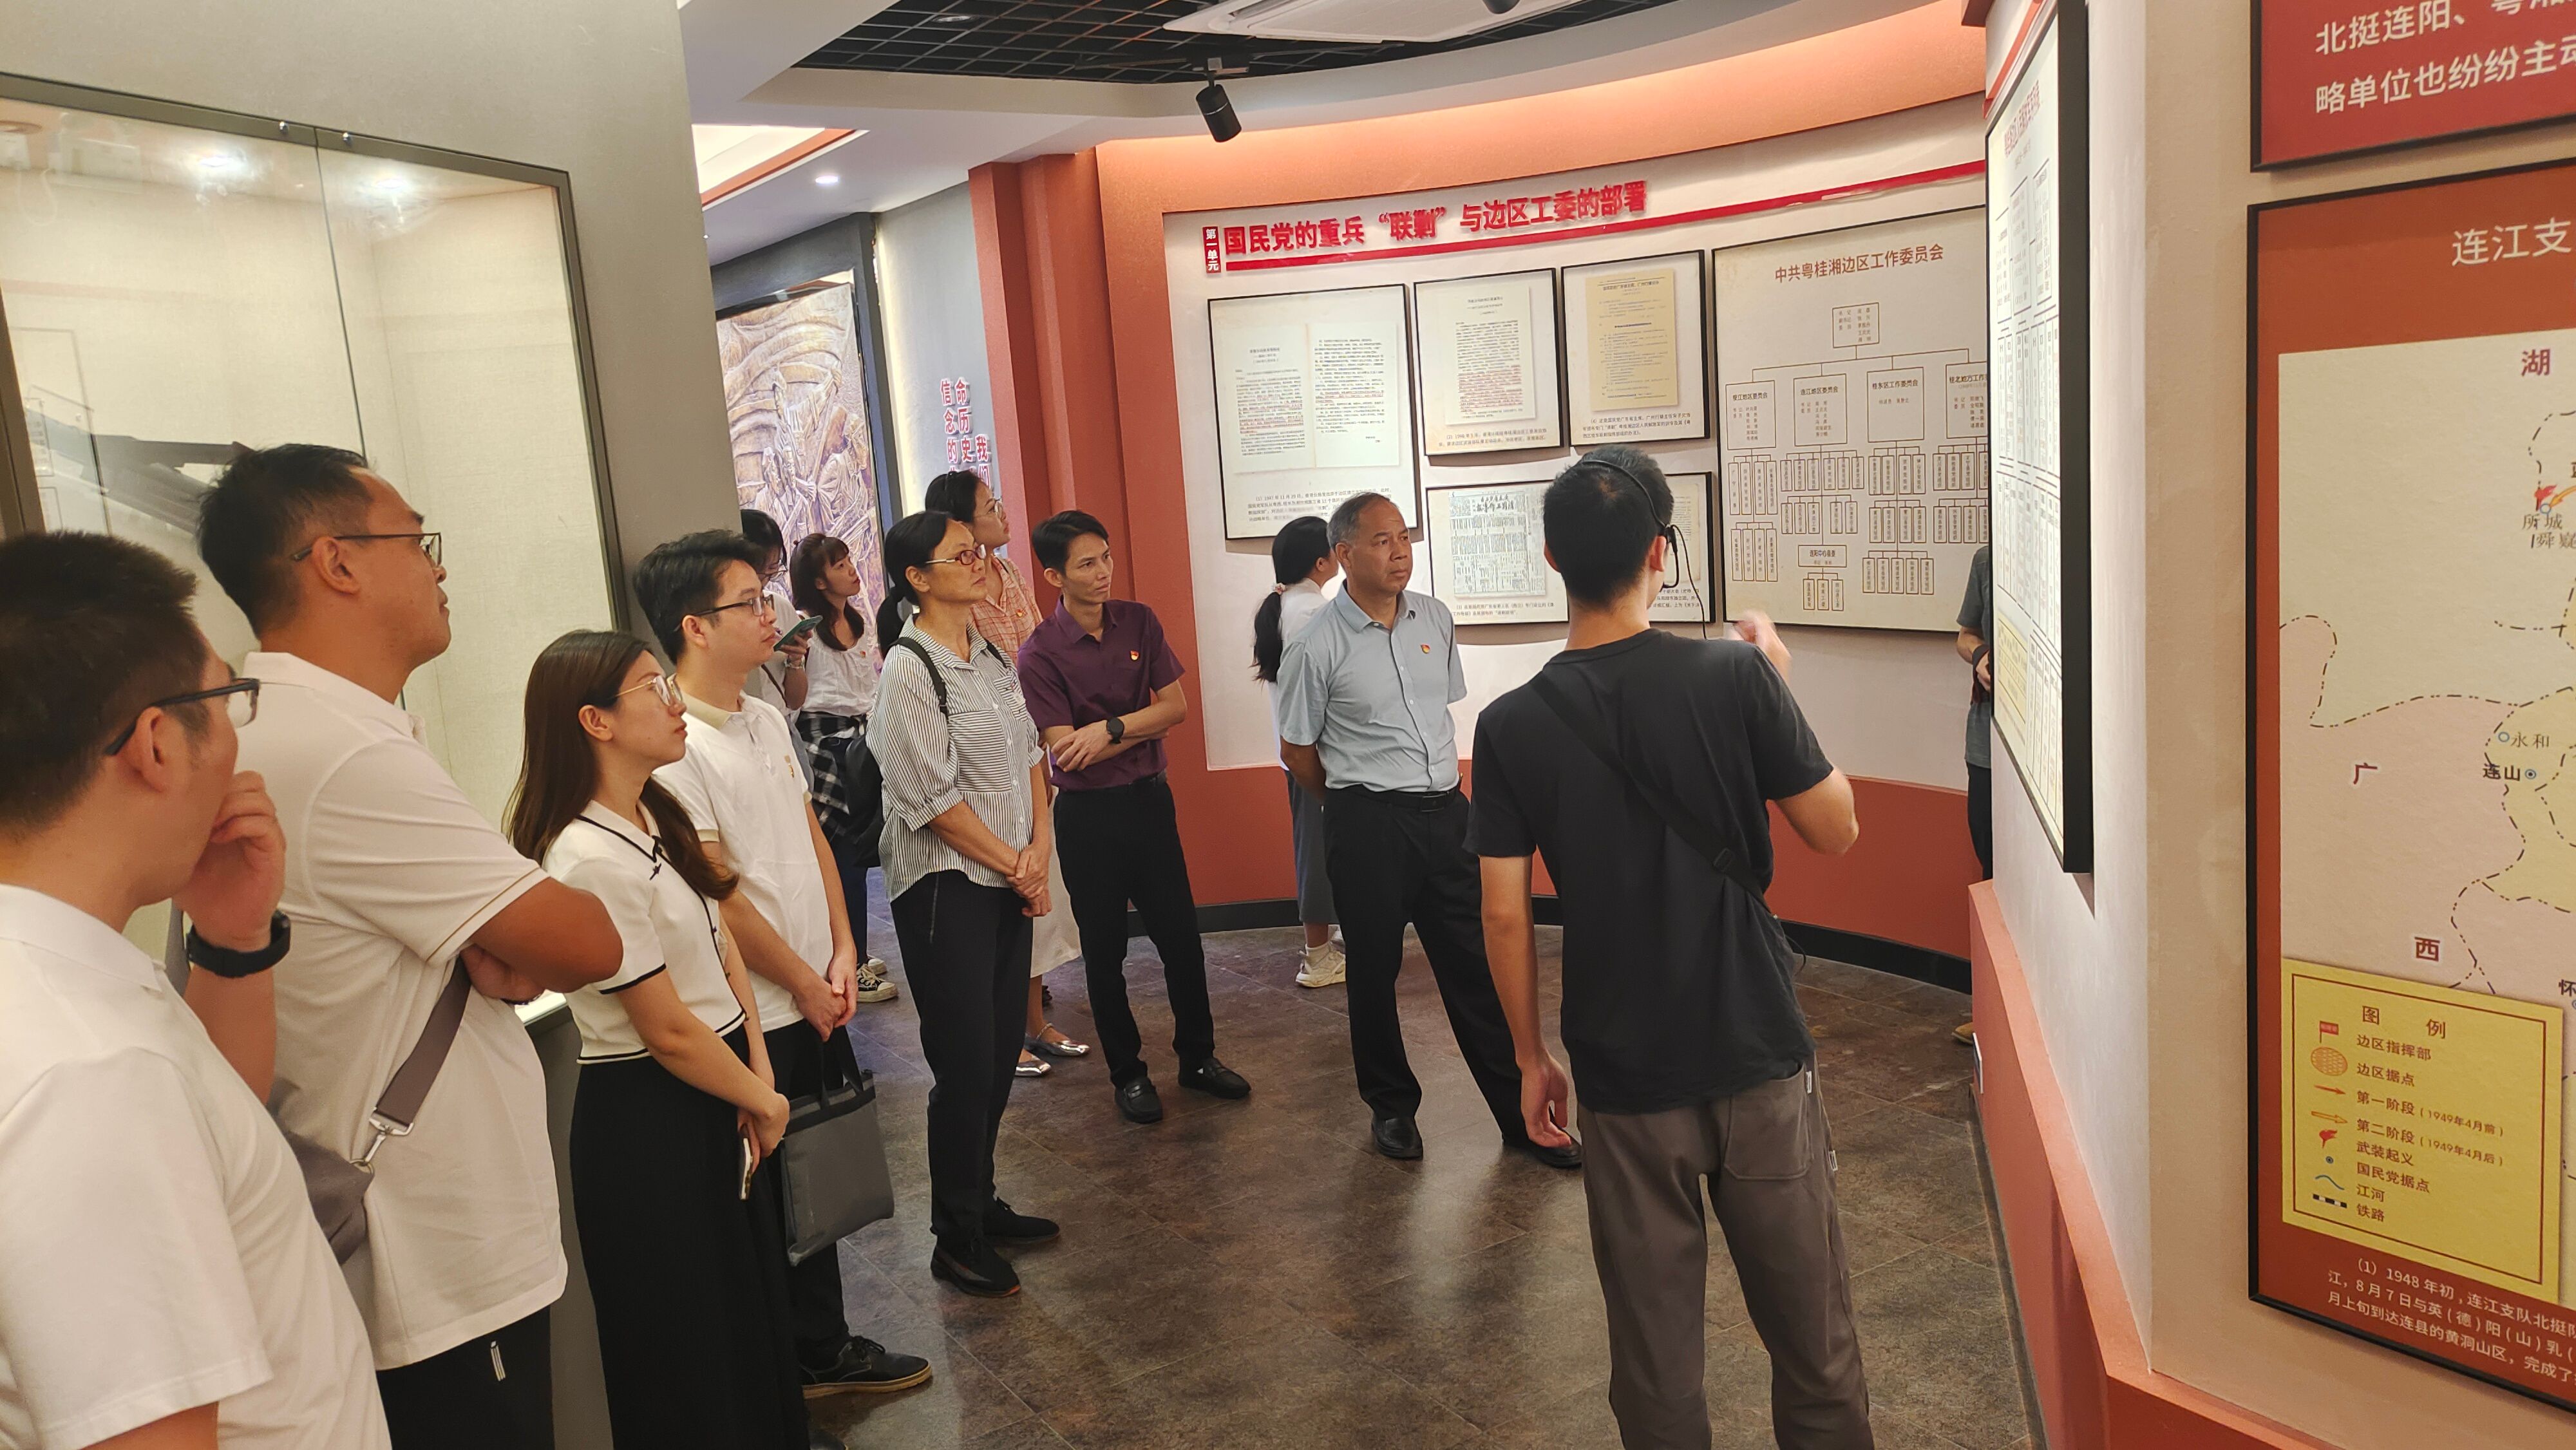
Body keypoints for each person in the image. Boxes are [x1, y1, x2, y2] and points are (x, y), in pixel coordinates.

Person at [193, 444, 623, 1449]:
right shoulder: (340, 750)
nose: (439, 567)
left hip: (407, 1232)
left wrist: (517, 944)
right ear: (337, 561)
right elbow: (588, 940)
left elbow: (522, 942)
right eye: (417, 541)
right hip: (432, 1253)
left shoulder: (295, 725)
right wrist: (527, 942)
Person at [1471, 447, 1871, 1450]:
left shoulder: (1511, 725)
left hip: (1622, 1067)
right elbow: (1836, 830)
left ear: (1553, 558)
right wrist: (1777, 687)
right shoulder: (1734, 675)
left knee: (1654, 1362)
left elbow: (1505, 915)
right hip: (1753, 1046)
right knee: (1814, 1343)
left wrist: (1528, 1057)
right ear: (1661, 552)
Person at [0, 531, 389, 1450]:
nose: (236, 735)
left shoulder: (58, 978)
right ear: (156, 744)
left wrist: (234, 942)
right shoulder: (92, 1070)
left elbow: (208, 1136)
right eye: (226, 697)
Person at [506, 630, 826, 1450]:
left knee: (746, 1311)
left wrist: (757, 1071)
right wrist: (762, 1097)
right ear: (595, 721)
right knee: (687, 1344)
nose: (675, 703)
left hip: (722, 1084)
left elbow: (722, 951)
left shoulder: (654, 810)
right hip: (650, 1115)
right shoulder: (583, 853)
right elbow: (668, 1028)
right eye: (653, 689)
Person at [632, 531, 929, 1397]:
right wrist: (800, 979)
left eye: (766, 598)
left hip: (816, 985)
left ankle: (822, 1343)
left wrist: (842, 948)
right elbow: (719, 889)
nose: (772, 616)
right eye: (750, 603)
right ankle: (793, 1359)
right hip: (760, 1005)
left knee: (820, 1172)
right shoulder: (676, 746)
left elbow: (812, 838)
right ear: (694, 626)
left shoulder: (763, 715)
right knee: (773, 1194)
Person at [1273, 492, 1575, 1170]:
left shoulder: (1434, 617)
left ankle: (1518, 1113)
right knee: (1372, 973)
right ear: (1344, 554)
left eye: (1403, 537)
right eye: (1381, 541)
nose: (1399, 552)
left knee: (1476, 968)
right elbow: (1298, 750)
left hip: (1447, 815)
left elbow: (1438, 713)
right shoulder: (1316, 643)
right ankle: (1391, 1108)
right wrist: (1352, 802)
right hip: (1367, 823)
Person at [871, 509, 1061, 1297]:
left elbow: (1030, 756)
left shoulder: (988, 652)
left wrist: (1038, 847)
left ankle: (980, 1199)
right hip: (947, 886)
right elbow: (932, 801)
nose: (980, 561)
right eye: (961, 555)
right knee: (965, 1061)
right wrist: (1018, 864)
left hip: (1009, 875)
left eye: (978, 551)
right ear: (918, 578)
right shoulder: (908, 667)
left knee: (1000, 1048)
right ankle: (955, 1235)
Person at [1016, 511, 1250, 1124]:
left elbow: (1175, 708)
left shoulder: (1139, 621)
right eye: (1086, 564)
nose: (1103, 572)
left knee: (1181, 940)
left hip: (1149, 802)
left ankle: (1198, 1059)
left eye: (1106, 557)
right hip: (1088, 817)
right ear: (1054, 577)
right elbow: (1067, 751)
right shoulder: (1039, 653)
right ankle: (1129, 1074)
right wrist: (1132, 729)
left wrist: (1111, 728)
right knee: (1105, 954)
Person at [921, 470, 1087, 1077]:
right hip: (980, 757)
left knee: (1038, 889)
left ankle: (1033, 1020)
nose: (1003, 514)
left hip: (1027, 733)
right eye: (990, 508)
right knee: (998, 895)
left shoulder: (1010, 572)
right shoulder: (944, 605)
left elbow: (1038, 645)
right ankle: (1005, 1032)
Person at [786, 533, 896, 1005]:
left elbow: (865, 686)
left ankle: (857, 952)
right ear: (817, 581)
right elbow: (798, 699)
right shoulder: (803, 628)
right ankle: (851, 960)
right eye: (839, 564)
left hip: (863, 738)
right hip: (823, 743)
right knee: (842, 855)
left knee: (866, 845)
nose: (852, 569)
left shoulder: (857, 621)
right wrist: (795, 660)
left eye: (849, 560)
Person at [1249, 514, 1345, 989]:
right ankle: (1317, 957)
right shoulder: (1314, 613)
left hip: (1302, 751)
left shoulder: (1286, 607)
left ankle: (1329, 943)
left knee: (1323, 848)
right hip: (1318, 755)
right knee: (1318, 852)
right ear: (1323, 562)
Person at [1953, 544, 1994, 1047]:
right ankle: (1987, 1012)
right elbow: (1965, 636)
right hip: (1985, 747)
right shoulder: (1987, 561)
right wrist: (1981, 655)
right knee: (1991, 872)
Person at [739, 507, 813, 726]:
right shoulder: (729, 614)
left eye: (774, 567)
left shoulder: (779, 606)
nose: (767, 577)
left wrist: (795, 661)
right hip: (745, 724)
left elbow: (795, 701)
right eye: (762, 568)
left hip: (781, 723)